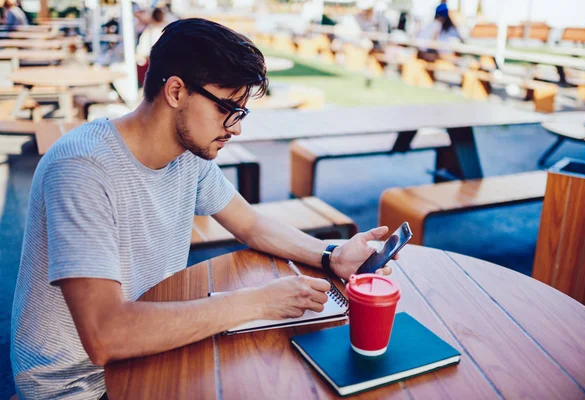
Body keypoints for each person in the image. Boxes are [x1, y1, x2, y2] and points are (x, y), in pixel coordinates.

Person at [11, 18, 396, 399]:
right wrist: (259, 301)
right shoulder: (82, 169)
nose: (236, 128)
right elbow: (105, 335)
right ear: (176, 91)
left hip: (150, 347)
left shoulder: (187, 156)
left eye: (241, 113)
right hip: (78, 386)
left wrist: (332, 256)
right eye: (229, 109)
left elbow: (251, 224)